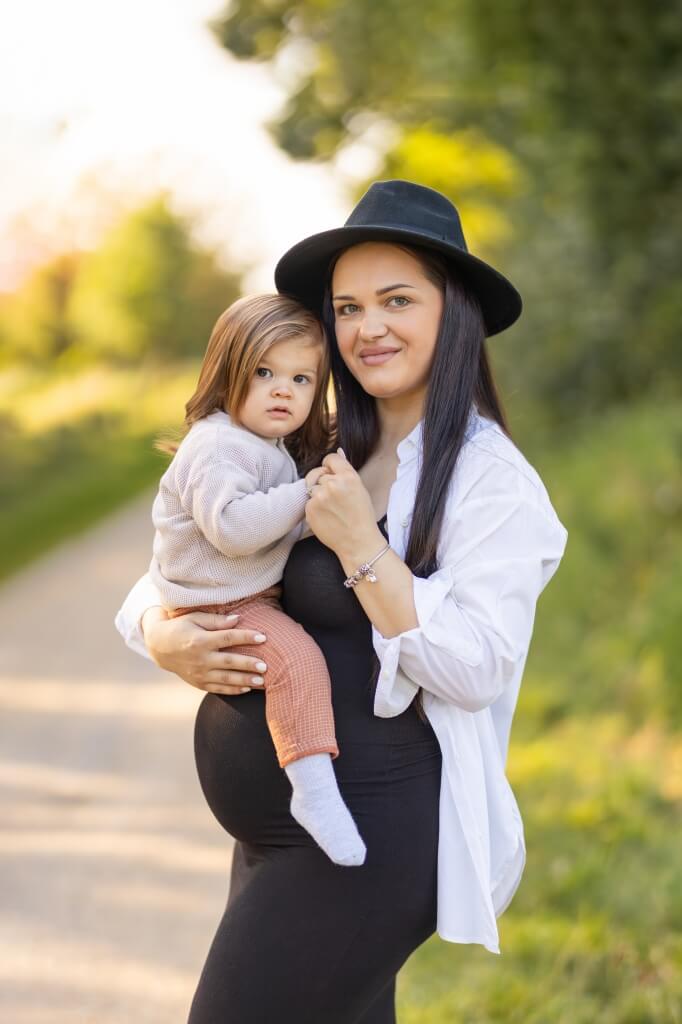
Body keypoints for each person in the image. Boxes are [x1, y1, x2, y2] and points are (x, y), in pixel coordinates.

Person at [115, 179, 568, 1023]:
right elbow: (187, 554)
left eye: (397, 300)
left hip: (373, 838)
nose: (369, 327)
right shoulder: (318, 443)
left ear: (453, 311)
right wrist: (160, 632)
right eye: (349, 306)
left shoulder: (488, 481)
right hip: (283, 828)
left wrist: (364, 549)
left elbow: (476, 668)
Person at [148, 292, 366, 867]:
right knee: (297, 660)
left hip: (237, 592)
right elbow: (236, 529)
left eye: (300, 379)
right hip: (225, 605)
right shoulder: (217, 445)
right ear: (228, 373)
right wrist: (305, 492)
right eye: (265, 372)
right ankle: (314, 791)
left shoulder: (261, 445)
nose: (281, 389)